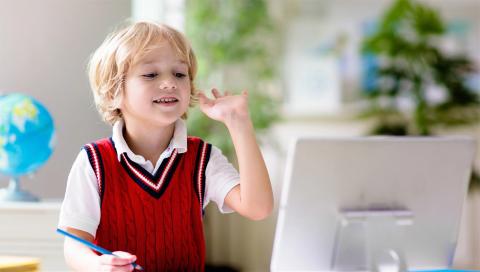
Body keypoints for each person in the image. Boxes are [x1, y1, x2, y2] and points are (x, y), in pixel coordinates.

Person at [57, 21, 273, 271]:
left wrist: (239, 124)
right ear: (113, 92)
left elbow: (258, 207)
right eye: (151, 74)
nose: (170, 82)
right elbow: (74, 246)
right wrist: (98, 266)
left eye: (180, 74)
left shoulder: (202, 158)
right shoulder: (93, 162)